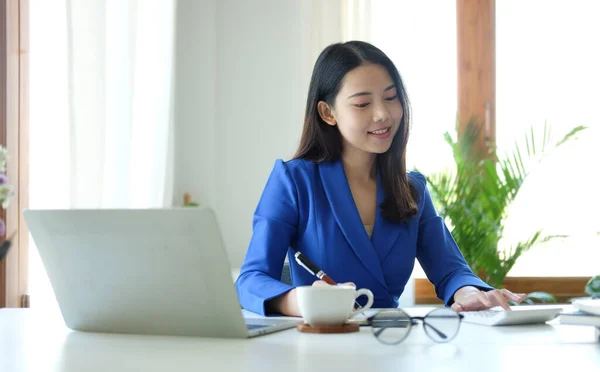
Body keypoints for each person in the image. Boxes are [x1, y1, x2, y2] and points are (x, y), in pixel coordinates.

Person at [235, 41, 526, 316]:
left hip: (393, 344)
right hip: (322, 347)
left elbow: (451, 270)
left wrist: (468, 293)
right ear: (327, 112)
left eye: (391, 98)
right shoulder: (293, 181)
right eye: (362, 104)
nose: (383, 114)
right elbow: (251, 280)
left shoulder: (412, 189)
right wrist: (300, 301)